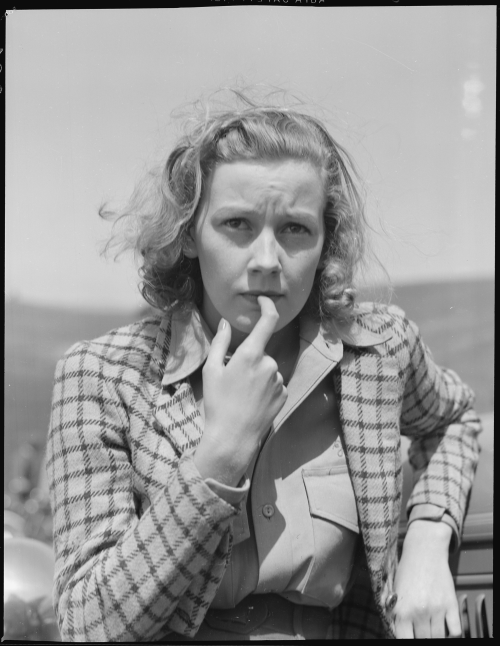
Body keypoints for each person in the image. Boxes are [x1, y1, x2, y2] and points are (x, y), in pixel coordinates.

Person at [46, 90, 481, 641]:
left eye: (295, 229)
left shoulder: (375, 349)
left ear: (326, 243)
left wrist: (426, 535)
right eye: (237, 224)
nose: (268, 261)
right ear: (188, 236)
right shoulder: (104, 375)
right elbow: (88, 627)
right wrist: (219, 456)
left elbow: (454, 420)